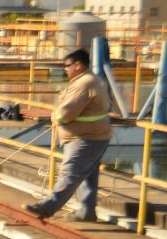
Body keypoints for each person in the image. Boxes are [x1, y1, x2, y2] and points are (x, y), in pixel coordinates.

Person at [24, 48, 115, 223]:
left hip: (84, 137)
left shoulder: (83, 84)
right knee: (87, 176)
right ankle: (86, 212)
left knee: (70, 173)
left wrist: (55, 117)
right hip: (94, 135)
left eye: (67, 66)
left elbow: (66, 113)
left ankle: (47, 207)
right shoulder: (92, 80)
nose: (65, 69)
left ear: (78, 65)